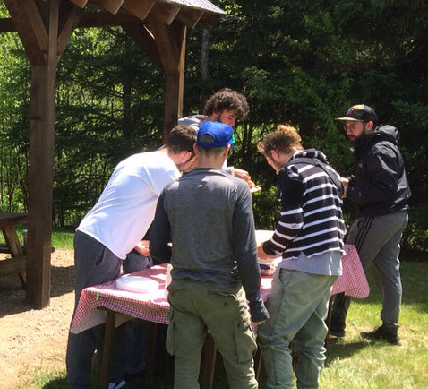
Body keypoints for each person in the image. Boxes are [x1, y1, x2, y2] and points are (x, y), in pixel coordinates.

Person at [66, 125, 198, 389]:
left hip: (99, 238)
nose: (194, 166)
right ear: (187, 154)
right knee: (89, 316)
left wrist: (133, 238)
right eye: (196, 159)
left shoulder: (140, 159)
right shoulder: (166, 170)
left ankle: (112, 378)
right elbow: (182, 208)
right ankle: (81, 383)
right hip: (102, 242)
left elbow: (120, 202)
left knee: (106, 313)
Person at [149, 121, 268, 389]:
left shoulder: (171, 191)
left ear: (195, 148)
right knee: (240, 370)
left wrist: (184, 262)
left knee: (185, 372)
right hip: (222, 292)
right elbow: (246, 251)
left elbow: (156, 248)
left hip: (183, 291)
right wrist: (256, 302)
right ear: (227, 150)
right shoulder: (237, 189)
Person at [255, 125, 346, 388]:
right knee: (311, 339)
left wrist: (266, 250)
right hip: (331, 264)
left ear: (274, 153)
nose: (274, 170)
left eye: (270, 163)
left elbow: (292, 224)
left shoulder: (292, 172)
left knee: (273, 337)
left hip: (304, 265)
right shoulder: (328, 171)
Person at [327, 105, 411, 344]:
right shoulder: (376, 146)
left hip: (378, 217)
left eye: (353, 126)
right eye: (347, 126)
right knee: (388, 272)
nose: (349, 131)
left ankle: (334, 324)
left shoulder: (378, 150)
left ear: (370, 125)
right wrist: (351, 181)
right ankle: (389, 329)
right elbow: (376, 180)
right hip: (396, 216)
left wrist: (348, 191)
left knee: (347, 265)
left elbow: (384, 189)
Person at [177, 88, 255, 186]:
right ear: (216, 112)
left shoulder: (222, 132)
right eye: (230, 118)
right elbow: (193, 169)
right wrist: (231, 173)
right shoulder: (194, 134)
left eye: (235, 119)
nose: (233, 123)